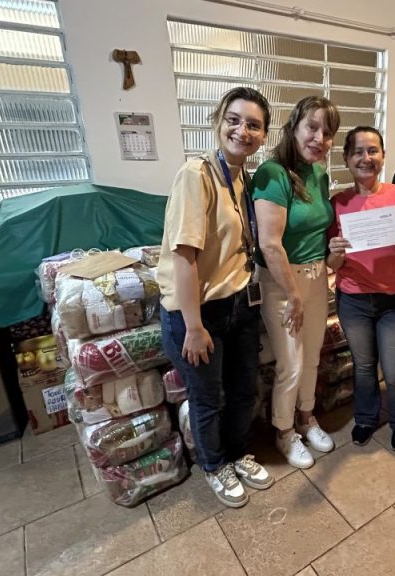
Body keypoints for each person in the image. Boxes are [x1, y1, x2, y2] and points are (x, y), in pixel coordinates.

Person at [157, 87, 274, 508]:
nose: (242, 131)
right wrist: (193, 326)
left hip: (240, 303)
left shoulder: (243, 177)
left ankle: (238, 452)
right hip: (198, 310)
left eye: (254, 125)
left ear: (263, 136)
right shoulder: (197, 175)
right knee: (207, 398)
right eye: (234, 119)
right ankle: (213, 464)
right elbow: (185, 255)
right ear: (218, 120)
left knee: (244, 389)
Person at [252, 96, 340, 469]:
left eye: (328, 132)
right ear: (294, 127)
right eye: (312, 127)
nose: (320, 138)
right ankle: (284, 431)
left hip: (317, 277)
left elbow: (317, 230)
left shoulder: (319, 173)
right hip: (281, 283)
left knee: (312, 356)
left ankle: (307, 417)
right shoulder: (272, 174)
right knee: (290, 361)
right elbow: (270, 244)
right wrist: (293, 295)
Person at [326, 126, 395, 452]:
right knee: (365, 366)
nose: (365, 158)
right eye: (357, 152)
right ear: (346, 159)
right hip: (353, 299)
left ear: (382, 155)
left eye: (372, 151)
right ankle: (366, 419)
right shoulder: (337, 202)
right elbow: (332, 264)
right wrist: (335, 255)